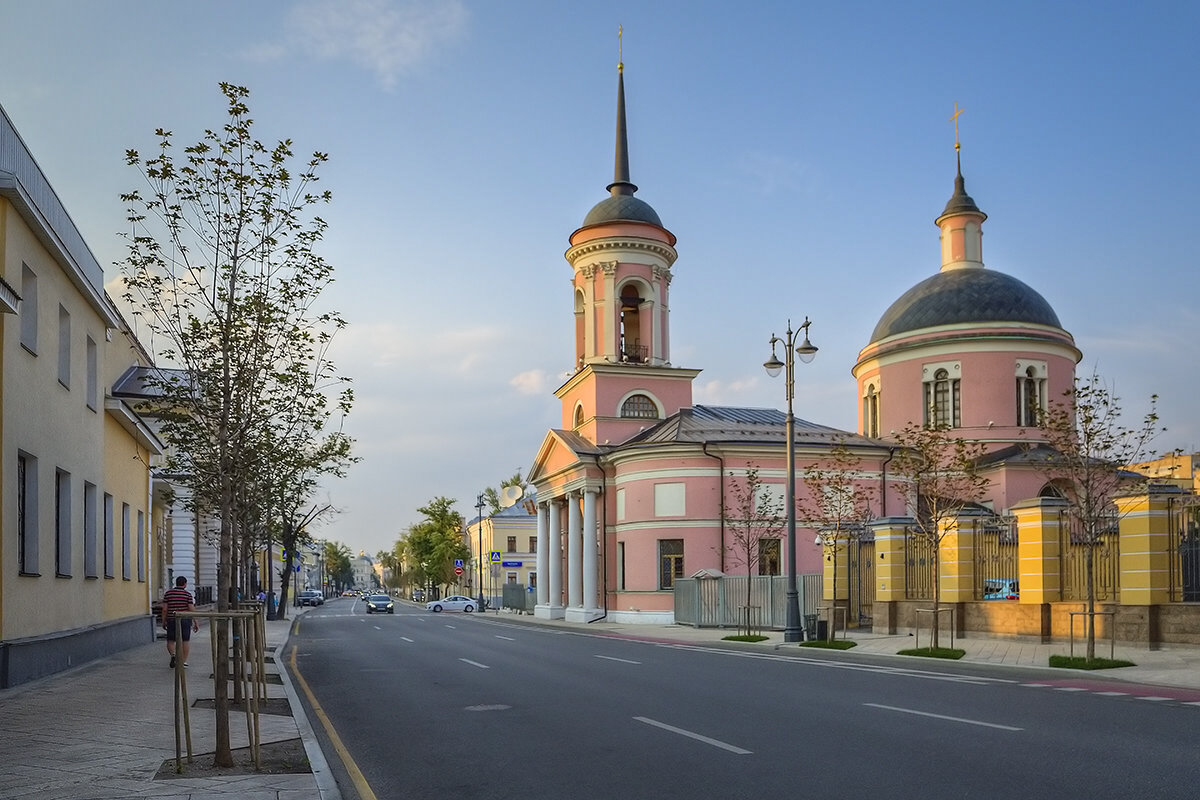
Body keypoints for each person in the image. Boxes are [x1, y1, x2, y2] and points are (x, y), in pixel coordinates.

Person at [162, 576, 200, 668]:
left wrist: (164, 621)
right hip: (185, 619)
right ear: (185, 584)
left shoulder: (168, 594)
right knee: (185, 640)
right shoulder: (187, 595)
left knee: (170, 640)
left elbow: (164, 609)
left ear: (176, 583)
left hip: (172, 619)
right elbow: (191, 608)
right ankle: (183, 662)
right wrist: (196, 621)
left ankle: (173, 655)